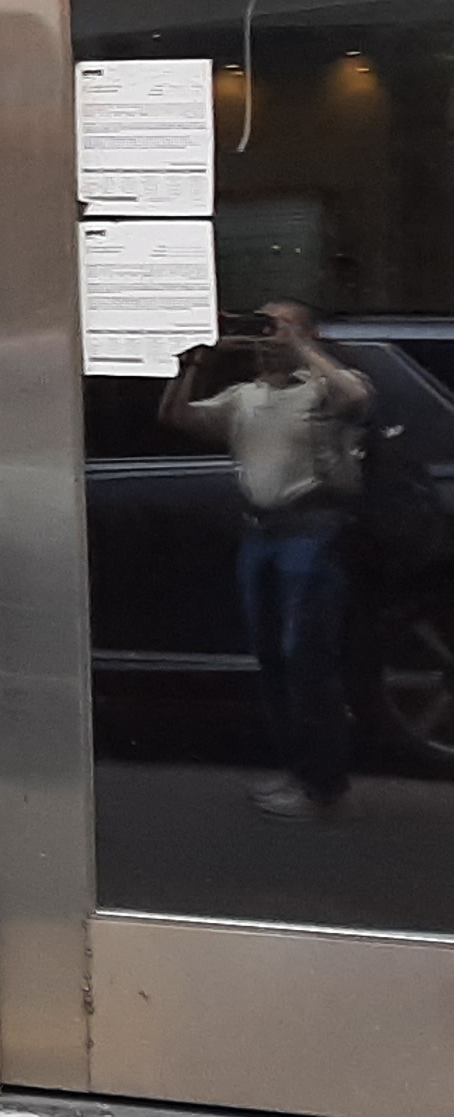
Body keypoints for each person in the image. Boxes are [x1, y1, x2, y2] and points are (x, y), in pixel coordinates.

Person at [162, 301, 372, 821]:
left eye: (278, 324)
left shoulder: (322, 387)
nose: (267, 335)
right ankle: (301, 774)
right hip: (260, 534)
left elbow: (357, 397)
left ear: (309, 333)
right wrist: (194, 362)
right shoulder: (246, 396)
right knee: (274, 660)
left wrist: (299, 345)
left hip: (312, 530)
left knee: (307, 659)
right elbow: (177, 417)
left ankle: (324, 785)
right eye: (262, 326)